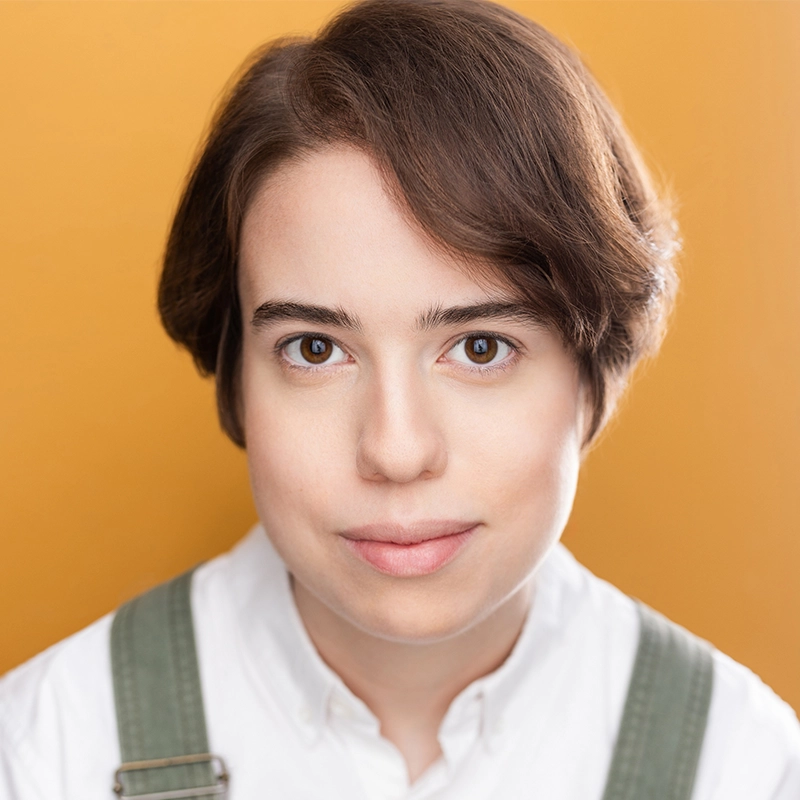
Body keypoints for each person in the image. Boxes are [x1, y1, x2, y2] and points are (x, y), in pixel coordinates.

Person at [1, 1, 798, 798]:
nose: (395, 448)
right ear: (236, 380)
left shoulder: (747, 767)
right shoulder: (46, 746)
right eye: (316, 349)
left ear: (593, 379)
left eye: (480, 348)